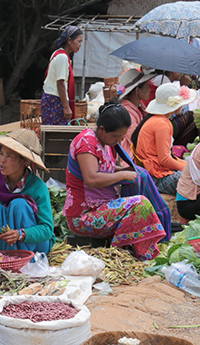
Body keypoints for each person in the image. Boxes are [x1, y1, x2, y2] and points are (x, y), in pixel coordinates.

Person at [64, 104, 166, 260]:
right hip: (83, 216)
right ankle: (138, 254)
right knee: (140, 204)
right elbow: (92, 179)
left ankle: (137, 250)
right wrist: (123, 175)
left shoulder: (107, 143)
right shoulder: (86, 143)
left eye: (122, 136)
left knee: (140, 193)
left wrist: (132, 172)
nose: (119, 140)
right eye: (116, 136)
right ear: (102, 129)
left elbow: (108, 170)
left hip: (102, 208)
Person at [0, 129, 55, 254]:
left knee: (19, 205)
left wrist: (21, 234)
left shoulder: (38, 187)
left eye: (9, 156)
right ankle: (3, 258)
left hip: (34, 247)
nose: (2, 160)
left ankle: (22, 261)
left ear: (25, 161)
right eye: (1, 154)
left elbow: (46, 229)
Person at [132, 83, 193, 195]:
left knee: (192, 163)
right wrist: (187, 168)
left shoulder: (159, 120)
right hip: (155, 178)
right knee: (195, 178)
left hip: (153, 173)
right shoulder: (162, 124)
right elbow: (164, 160)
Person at [41, 26, 83, 124]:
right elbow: (60, 83)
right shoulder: (62, 57)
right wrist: (66, 107)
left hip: (51, 99)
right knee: (57, 134)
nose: (80, 45)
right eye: (79, 41)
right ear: (69, 40)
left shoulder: (58, 54)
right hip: (55, 101)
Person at [117, 67, 155, 151]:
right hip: (130, 158)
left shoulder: (138, 108)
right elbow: (136, 140)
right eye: (147, 87)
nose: (149, 90)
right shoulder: (127, 113)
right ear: (137, 90)